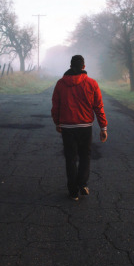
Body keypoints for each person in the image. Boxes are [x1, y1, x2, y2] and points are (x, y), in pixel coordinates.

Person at [51, 55, 108, 201]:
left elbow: (55, 106)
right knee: (85, 156)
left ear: (70, 66)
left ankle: (73, 192)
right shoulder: (92, 83)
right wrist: (103, 127)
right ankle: (82, 183)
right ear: (84, 66)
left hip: (67, 127)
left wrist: (57, 122)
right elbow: (98, 106)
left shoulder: (60, 84)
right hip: (85, 126)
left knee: (70, 158)